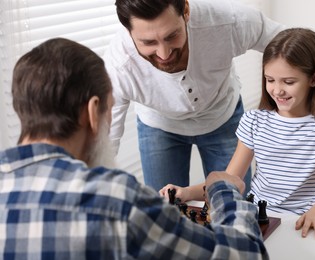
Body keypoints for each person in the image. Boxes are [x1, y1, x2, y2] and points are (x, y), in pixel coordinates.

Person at [0, 38, 269, 259]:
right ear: (93, 112)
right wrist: (224, 190)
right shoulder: (116, 199)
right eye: (109, 109)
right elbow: (244, 255)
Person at [161, 28, 315, 240]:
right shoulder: (254, 121)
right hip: (261, 222)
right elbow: (229, 179)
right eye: (270, 80)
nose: (277, 90)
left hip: (304, 224)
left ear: (314, 79)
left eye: (288, 82)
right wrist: (186, 192)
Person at [104, 0, 285, 193]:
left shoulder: (229, 22)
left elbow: (293, 49)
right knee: (165, 212)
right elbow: (105, 142)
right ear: (128, 31)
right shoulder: (118, 67)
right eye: (148, 42)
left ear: (186, 11)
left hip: (223, 115)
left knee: (235, 204)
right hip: (159, 125)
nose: (164, 54)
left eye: (172, 36)